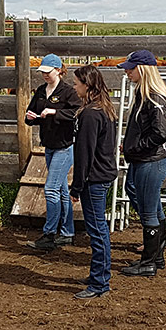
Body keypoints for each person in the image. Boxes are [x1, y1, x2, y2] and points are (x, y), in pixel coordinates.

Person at [118, 50, 166, 278]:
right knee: (150, 207)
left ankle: (148, 262)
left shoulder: (153, 98)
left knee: (149, 211)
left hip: (149, 161)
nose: (127, 72)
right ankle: (155, 256)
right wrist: (132, 145)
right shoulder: (146, 95)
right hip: (145, 160)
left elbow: (160, 133)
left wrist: (135, 147)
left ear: (143, 69)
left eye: (131, 68)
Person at [70, 65, 119, 298]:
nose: (74, 87)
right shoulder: (104, 109)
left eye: (76, 83)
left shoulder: (90, 114)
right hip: (102, 174)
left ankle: (100, 282)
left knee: (98, 230)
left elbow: (84, 152)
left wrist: (77, 186)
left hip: (94, 178)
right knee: (99, 229)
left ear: (87, 85)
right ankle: (98, 275)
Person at [24, 54, 82, 251]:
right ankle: (67, 232)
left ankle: (49, 233)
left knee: (50, 189)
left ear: (58, 70)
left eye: (48, 72)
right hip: (49, 145)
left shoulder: (68, 92)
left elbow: (77, 113)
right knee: (61, 190)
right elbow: (31, 114)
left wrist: (55, 112)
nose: (45, 75)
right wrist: (31, 117)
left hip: (65, 146)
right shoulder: (41, 91)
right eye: (42, 72)